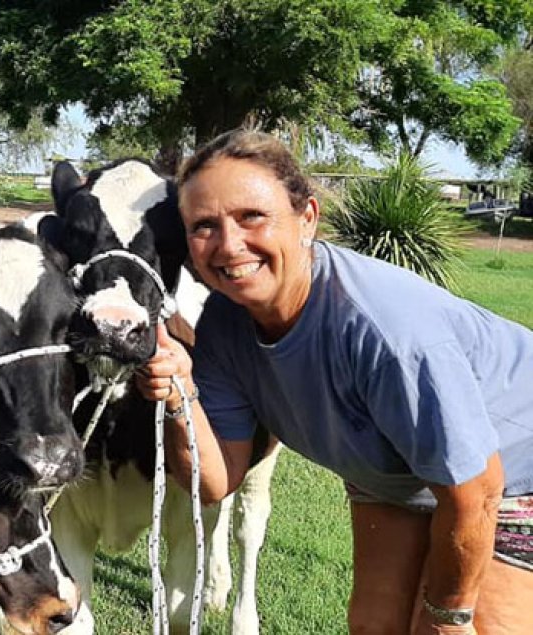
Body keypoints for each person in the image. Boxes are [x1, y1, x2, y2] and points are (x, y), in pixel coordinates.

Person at [136, 129, 533, 635]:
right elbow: (214, 482)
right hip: (398, 475)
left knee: (472, 627)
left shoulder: (383, 330)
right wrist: (179, 392)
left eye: (251, 216)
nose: (229, 244)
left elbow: (477, 492)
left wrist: (450, 617)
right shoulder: (224, 325)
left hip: (515, 473)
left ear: (307, 219)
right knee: (374, 625)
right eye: (205, 226)